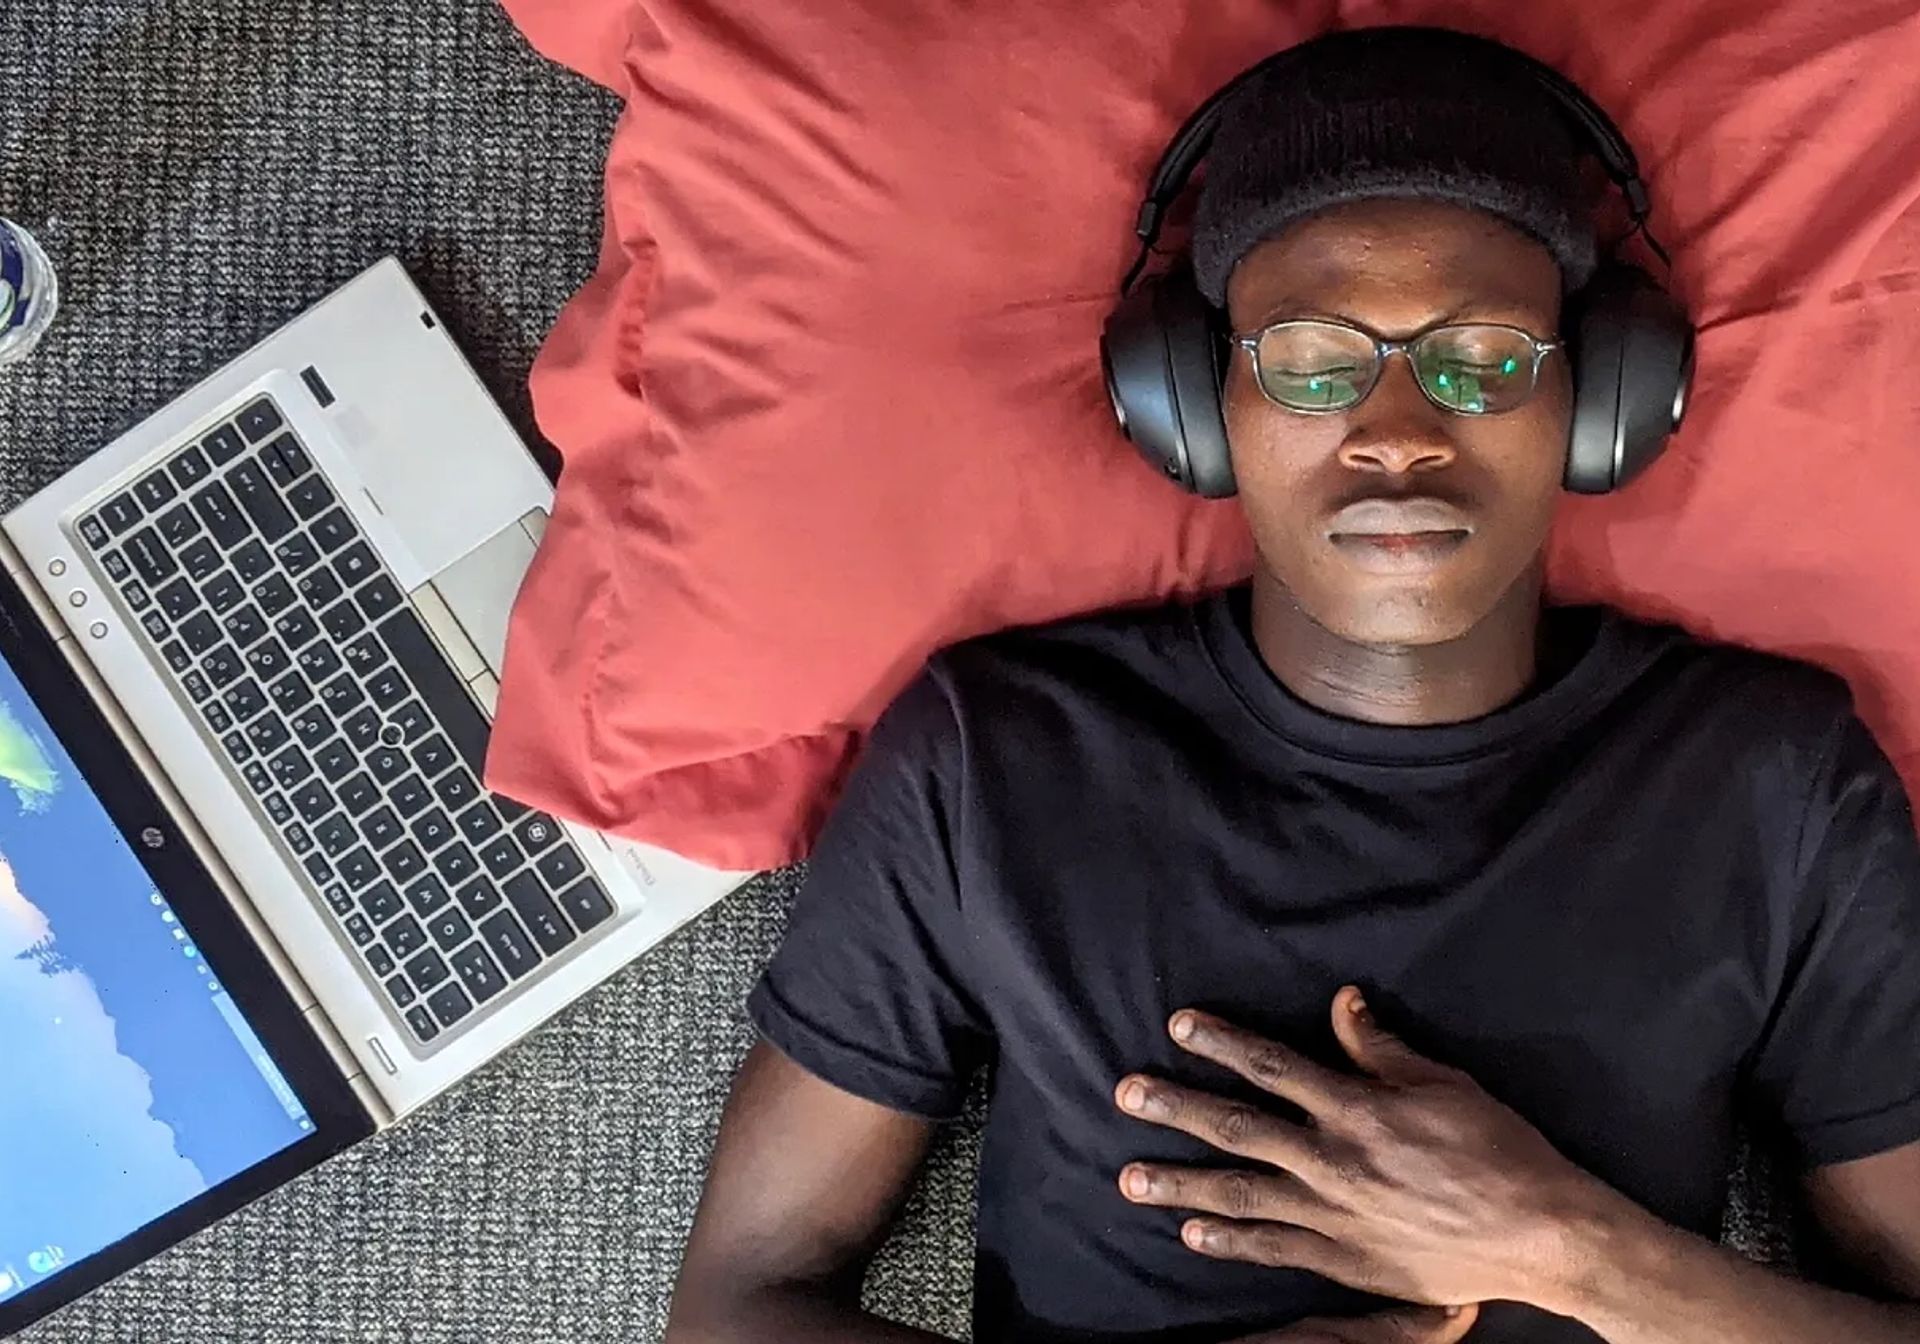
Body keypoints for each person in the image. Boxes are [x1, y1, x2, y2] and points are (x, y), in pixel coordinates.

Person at [665, 29, 1920, 1344]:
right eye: (1314, 360)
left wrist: (1564, 1248)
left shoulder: (1776, 786)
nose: (1397, 434)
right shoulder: (996, 758)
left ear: (1603, 398)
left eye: (1483, 356)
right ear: (1197, 409)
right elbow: (736, 1305)